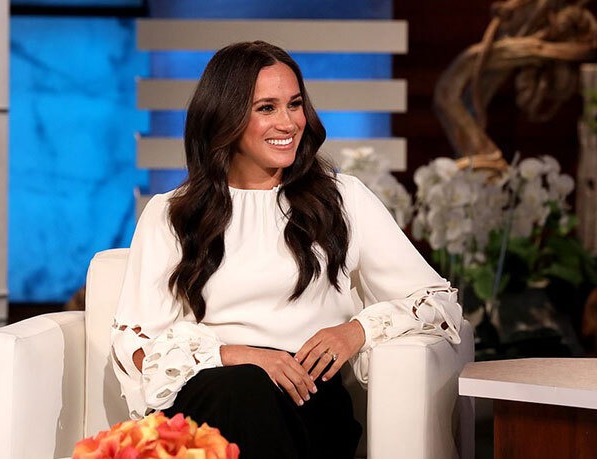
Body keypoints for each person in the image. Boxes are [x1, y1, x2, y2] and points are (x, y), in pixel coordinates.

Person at [111, 40, 463, 458]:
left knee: (259, 399)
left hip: (309, 398)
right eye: (267, 108)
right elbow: (136, 345)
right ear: (225, 115)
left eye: (294, 104)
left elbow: (437, 301)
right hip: (213, 394)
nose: (289, 123)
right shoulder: (173, 212)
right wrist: (239, 356)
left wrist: (356, 331)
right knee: (242, 387)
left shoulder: (342, 199)